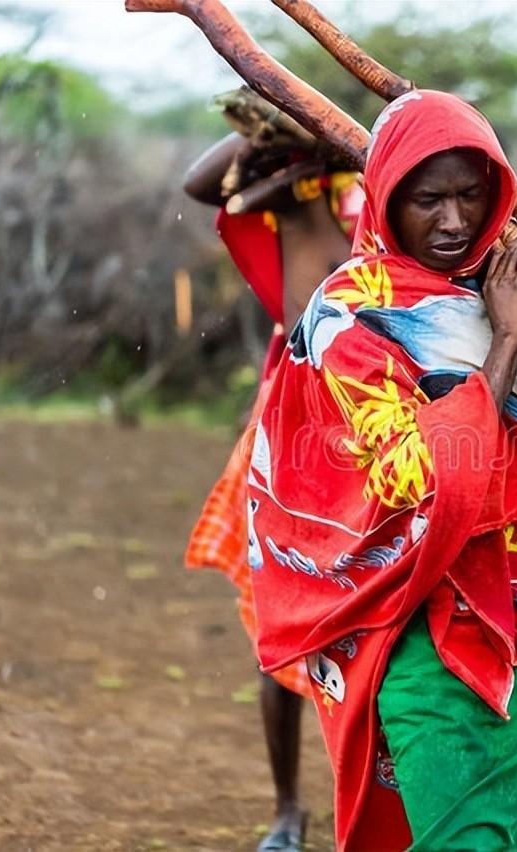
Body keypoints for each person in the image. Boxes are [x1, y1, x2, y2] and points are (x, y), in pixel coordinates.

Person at [246, 90, 517, 851]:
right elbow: (417, 478)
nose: (453, 221)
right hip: (425, 633)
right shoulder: (351, 316)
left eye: (471, 196)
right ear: (384, 199)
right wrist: (505, 346)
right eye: (427, 199)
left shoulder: (512, 281)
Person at [181, 128, 363, 852]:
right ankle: (289, 812)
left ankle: (372, 810)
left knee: (375, 639)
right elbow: (202, 181)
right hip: (289, 445)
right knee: (275, 633)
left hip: (379, 445)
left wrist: (342, 154)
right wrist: (270, 125)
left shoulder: (374, 212)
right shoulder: (285, 215)